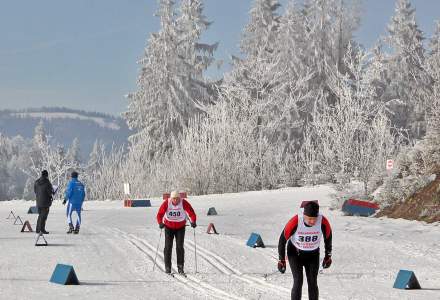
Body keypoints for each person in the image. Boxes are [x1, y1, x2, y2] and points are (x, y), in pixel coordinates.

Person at [277, 201, 333, 300]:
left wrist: (328, 256)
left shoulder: (323, 221)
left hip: (313, 255)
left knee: (312, 282)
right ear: (304, 215)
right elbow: (282, 240)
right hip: (295, 253)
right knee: (298, 281)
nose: (312, 221)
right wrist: (281, 260)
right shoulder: (295, 221)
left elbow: (328, 239)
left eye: (314, 219)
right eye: (309, 219)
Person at [156, 191, 197, 275]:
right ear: (171, 198)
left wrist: (193, 221)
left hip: (180, 228)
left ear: (179, 198)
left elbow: (191, 212)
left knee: (179, 247)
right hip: (168, 227)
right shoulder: (166, 203)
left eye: (177, 198)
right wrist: (160, 222)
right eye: (174, 198)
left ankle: (180, 266)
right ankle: (168, 267)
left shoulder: (183, 202)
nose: (175, 200)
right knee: (168, 247)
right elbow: (159, 214)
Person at [34, 170, 54, 234]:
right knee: (44, 216)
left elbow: (35, 191)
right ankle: (42, 229)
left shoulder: (36, 182)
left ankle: (38, 229)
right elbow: (50, 193)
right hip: (45, 202)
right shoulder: (47, 183)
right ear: (47, 175)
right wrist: (53, 192)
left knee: (40, 215)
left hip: (38, 202)